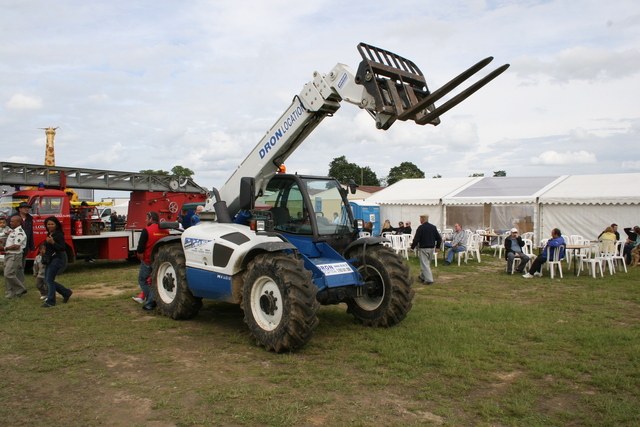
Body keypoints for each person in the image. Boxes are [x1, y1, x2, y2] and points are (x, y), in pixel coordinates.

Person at [136, 211, 170, 311]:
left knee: (142, 280)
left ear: (151, 219)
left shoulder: (146, 230)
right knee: (156, 281)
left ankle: (151, 301)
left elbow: (140, 248)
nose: (145, 220)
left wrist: (141, 257)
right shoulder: (166, 231)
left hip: (148, 261)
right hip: (161, 261)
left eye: (147, 218)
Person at [41, 216, 73, 307]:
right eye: (48, 224)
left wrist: (53, 243)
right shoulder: (50, 234)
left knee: (49, 280)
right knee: (48, 280)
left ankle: (51, 301)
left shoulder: (58, 235)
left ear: (56, 225)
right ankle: (66, 292)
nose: (50, 226)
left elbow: (62, 248)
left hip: (56, 259)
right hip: (49, 260)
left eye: (52, 224)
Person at [1, 215, 28, 298]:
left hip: (14, 255)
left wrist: (4, 248)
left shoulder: (20, 232)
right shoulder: (12, 231)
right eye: (10, 221)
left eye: (12, 221)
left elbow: (16, 246)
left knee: (8, 274)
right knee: (8, 275)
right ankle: (10, 294)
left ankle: (21, 289)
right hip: (9, 255)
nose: (10, 223)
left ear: (18, 222)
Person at [410, 214, 442, 285]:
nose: (420, 220)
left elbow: (416, 239)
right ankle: (422, 276)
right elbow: (439, 238)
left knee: (424, 264)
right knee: (427, 263)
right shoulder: (433, 227)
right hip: (431, 248)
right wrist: (437, 247)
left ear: (423, 219)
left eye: (420, 219)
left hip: (424, 248)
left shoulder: (421, 228)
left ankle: (429, 280)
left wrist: (412, 247)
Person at [15, 201, 34, 286]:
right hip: (16, 246)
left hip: (25, 246)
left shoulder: (29, 219)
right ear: (20, 209)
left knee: (22, 266)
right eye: (25, 207)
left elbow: (30, 233)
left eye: (28, 208)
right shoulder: (13, 218)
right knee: (16, 267)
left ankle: (21, 284)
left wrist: (31, 246)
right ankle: (16, 284)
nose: (27, 209)